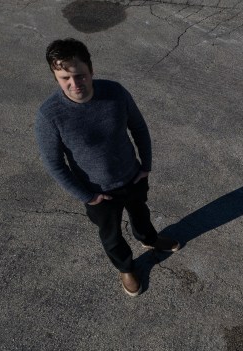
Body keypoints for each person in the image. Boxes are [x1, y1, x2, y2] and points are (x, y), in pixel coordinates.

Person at [35, 38, 179, 297]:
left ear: (91, 70)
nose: (74, 84)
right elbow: (54, 164)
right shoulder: (50, 115)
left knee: (141, 213)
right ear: (55, 77)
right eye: (64, 78)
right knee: (111, 235)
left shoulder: (115, 93)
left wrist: (145, 166)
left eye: (79, 75)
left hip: (133, 177)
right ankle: (126, 267)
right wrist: (88, 196)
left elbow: (139, 128)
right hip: (98, 193)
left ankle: (148, 239)